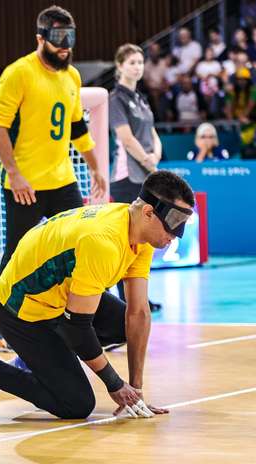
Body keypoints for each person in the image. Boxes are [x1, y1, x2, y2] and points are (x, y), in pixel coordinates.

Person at [0, 170, 194, 421]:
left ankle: (35, 362)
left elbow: (138, 314)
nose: (175, 236)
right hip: (20, 310)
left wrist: (135, 390)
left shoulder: (139, 233)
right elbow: (77, 330)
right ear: (148, 213)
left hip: (59, 295)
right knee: (76, 404)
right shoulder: (103, 243)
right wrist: (115, 384)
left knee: (123, 326)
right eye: (172, 227)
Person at [0, 5, 107, 353]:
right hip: (25, 184)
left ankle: (82, 325)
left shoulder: (71, 77)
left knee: (82, 243)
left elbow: (76, 127)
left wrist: (96, 167)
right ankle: (0, 330)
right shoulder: (18, 73)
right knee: (17, 253)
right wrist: (15, 174)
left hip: (63, 180)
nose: (65, 45)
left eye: (70, 37)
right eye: (58, 38)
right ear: (40, 38)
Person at [108, 44, 164, 313]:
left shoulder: (141, 99)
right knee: (128, 239)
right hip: (126, 176)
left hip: (146, 174)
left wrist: (156, 157)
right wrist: (147, 161)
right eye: (131, 62)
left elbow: (153, 133)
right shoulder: (115, 99)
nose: (137, 66)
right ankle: (124, 300)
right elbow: (126, 139)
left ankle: (140, 298)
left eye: (140, 62)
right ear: (119, 66)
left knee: (143, 241)